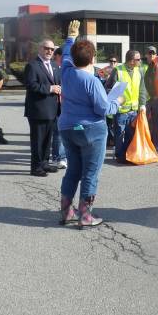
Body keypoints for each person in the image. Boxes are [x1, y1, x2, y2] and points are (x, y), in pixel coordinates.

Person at [58, 20, 123, 227]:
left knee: (73, 171)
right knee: (90, 173)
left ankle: (67, 212)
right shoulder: (91, 81)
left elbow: (67, 53)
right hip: (91, 130)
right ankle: (85, 216)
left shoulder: (66, 71)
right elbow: (103, 109)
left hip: (67, 128)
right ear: (92, 58)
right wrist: (116, 102)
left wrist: (71, 37)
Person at [23, 39, 62, 177]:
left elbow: (59, 83)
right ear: (40, 49)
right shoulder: (33, 66)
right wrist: (50, 88)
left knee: (47, 140)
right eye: (46, 48)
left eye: (52, 49)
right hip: (38, 110)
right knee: (38, 141)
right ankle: (36, 167)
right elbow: (31, 85)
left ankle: (44, 163)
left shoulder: (54, 65)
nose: (49, 51)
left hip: (52, 109)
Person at [105, 49, 147, 163]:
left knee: (130, 134)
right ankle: (120, 156)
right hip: (121, 110)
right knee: (119, 135)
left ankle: (128, 155)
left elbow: (142, 89)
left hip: (134, 110)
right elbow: (108, 88)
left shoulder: (140, 71)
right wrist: (116, 99)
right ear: (132, 61)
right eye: (138, 59)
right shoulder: (117, 70)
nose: (140, 61)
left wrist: (142, 104)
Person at [50, 47, 67, 170]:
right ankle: (59, 157)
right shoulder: (52, 67)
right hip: (56, 104)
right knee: (58, 132)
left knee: (64, 132)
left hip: (67, 105)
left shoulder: (67, 68)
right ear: (58, 56)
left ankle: (61, 156)